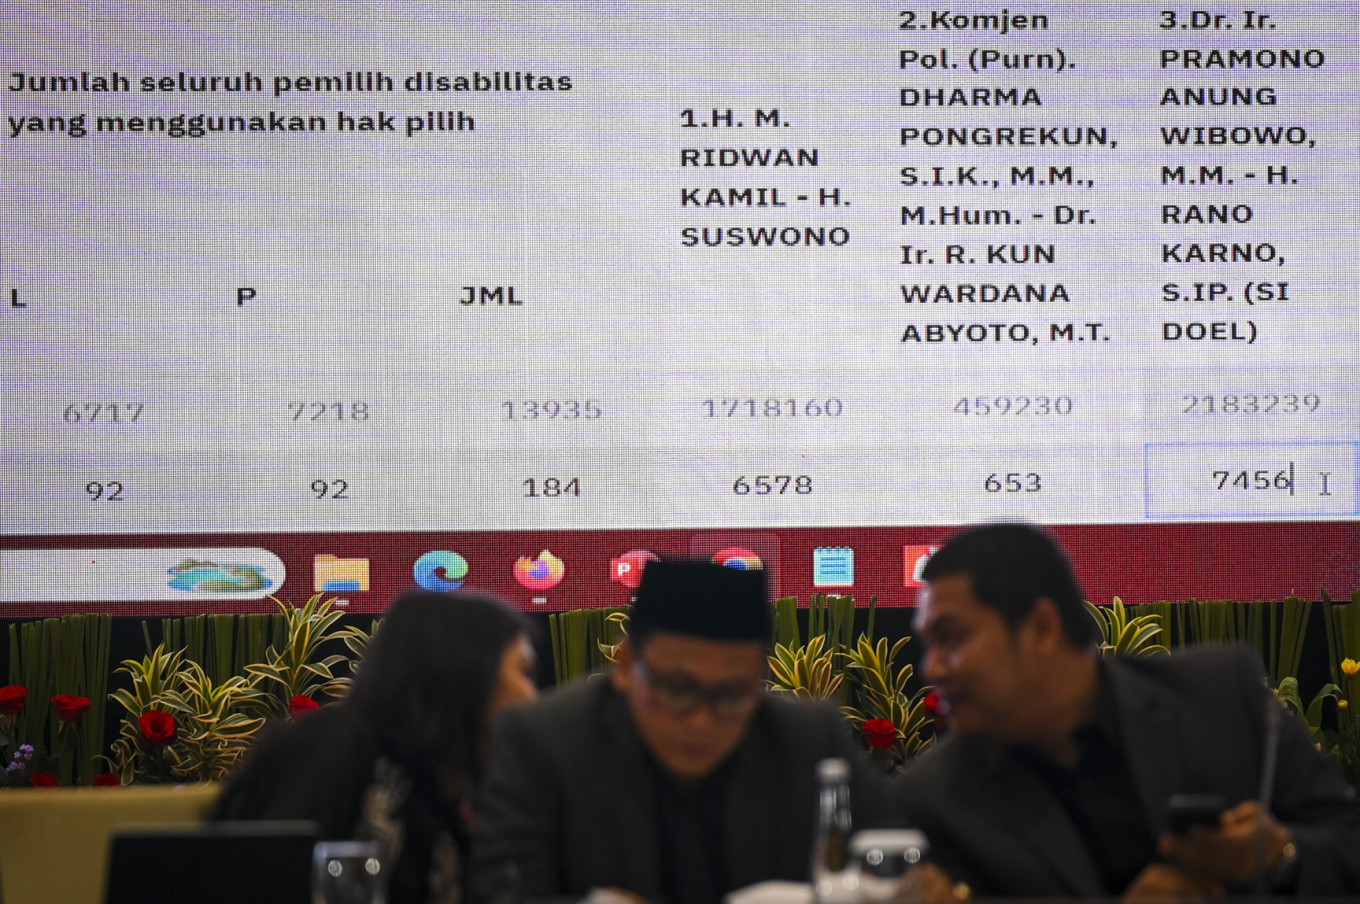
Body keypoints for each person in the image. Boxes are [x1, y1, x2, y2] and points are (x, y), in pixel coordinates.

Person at [893, 523, 1360, 901]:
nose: (931, 667)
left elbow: (1348, 843)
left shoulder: (1219, 697)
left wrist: (1281, 856)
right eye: (928, 643)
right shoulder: (937, 799)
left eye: (950, 638)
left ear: (1040, 628)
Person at [469, 560, 889, 904]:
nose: (702, 720)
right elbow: (498, 892)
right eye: (678, 689)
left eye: (732, 694)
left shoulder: (808, 736)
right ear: (627, 667)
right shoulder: (545, 739)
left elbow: (892, 849)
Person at [213, 589, 537, 904]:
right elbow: (264, 885)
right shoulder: (335, 746)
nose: (533, 695)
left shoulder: (447, 786)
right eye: (524, 672)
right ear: (467, 676)